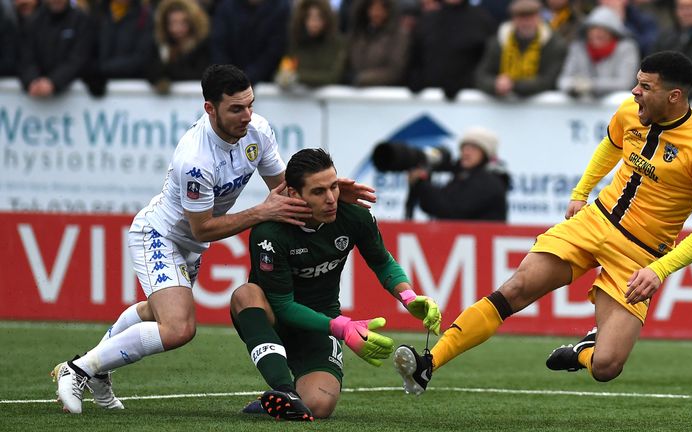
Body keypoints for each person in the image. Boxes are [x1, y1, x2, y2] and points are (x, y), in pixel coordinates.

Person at [394, 51, 692, 394]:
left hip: (640, 255)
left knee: (606, 366)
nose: (634, 92)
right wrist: (580, 192)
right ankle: (428, 363)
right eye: (636, 82)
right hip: (594, 221)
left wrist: (659, 270)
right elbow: (610, 147)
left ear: (674, 96)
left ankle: (585, 350)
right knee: (516, 289)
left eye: (645, 86)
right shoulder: (631, 112)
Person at [51, 64, 376, 414]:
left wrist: (331, 191)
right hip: (160, 236)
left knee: (154, 313)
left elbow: (285, 190)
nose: (247, 116)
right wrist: (260, 213)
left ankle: (97, 368)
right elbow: (202, 228)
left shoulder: (258, 131)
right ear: (210, 109)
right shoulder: (194, 159)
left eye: (250, 104)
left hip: (189, 247)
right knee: (178, 327)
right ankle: (78, 369)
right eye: (236, 109)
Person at [232, 148, 441, 420]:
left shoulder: (352, 216)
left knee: (319, 407)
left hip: (321, 321)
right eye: (318, 192)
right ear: (295, 194)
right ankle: (285, 390)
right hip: (276, 319)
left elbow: (382, 262)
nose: (331, 199)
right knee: (245, 294)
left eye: (333, 187)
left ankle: (274, 401)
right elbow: (283, 305)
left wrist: (409, 297)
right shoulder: (269, 232)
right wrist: (341, 327)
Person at [408, 127, 511, 221]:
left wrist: (421, 183)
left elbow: (452, 210)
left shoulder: (489, 181)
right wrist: (422, 180)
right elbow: (432, 206)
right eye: (464, 148)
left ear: (486, 154)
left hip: (481, 240)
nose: (466, 153)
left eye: (473, 148)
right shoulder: (463, 176)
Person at [475, 0, 568, 98]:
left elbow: (549, 80)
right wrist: (495, 84)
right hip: (503, 106)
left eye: (530, 18)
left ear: (539, 18)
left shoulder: (553, 44)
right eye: (521, 18)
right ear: (513, 19)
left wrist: (513, 84)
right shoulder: (498, 41)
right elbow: (481, 75)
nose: (526, 23)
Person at [557, 5, 640, 98]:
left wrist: (591, 85)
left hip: (616, 107)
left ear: (613, 32)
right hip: (582, 106)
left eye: (602, 30)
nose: (595, 34)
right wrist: (574, 86)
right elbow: (562, 81)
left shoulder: (626, 48)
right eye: (592, 29)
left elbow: (625, 83)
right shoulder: (578, 48)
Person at [17, 0, 95, 97]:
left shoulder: (81, 21)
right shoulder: (33, 21)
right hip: (36, 92)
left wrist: (54, 82)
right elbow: (26, 57)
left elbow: (79, 58)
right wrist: (32, 80)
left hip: (71, 96)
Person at [274, 0, 346, 90]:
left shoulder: (337, 44)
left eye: (319, 17)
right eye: (309, 17)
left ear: (327, 19)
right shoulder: (296, 43)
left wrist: (298, 77)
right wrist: (287, 78)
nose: (314, 22)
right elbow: (284, 73)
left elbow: (333, 76)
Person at [147, 0, 211, 94]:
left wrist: (168, 72)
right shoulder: (160, 47)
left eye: (183, 22)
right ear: (165, 24)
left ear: (192, 23)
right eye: (172, 23)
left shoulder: (203, 46)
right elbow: (148, 69)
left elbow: (202, 73)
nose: (177, 28)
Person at [346, 0, 410, 87]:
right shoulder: (357, 34)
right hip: (352, 93)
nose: (375, 13)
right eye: (372, 8)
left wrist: (362, 79)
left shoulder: (399, 35)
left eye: (381, 9)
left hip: (386, 94)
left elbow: (395, 70)